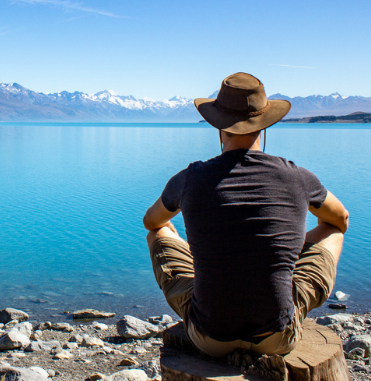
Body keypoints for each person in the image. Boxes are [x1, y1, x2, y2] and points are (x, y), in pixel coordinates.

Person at [143, 72, 349, 357]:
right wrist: (286, 245)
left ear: (218, 127)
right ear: (264, 127)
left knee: (160, 232)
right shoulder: (298, 177)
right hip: (278, 337)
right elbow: (341, 219)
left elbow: (151, 222)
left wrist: (187, 237)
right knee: (333, 232)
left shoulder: (189, 179)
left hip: (209, 337)